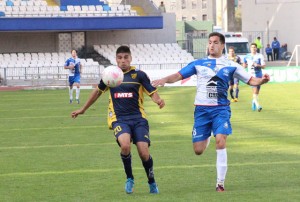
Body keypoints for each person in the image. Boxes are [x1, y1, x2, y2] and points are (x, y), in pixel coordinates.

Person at [152, 32, 270, 192]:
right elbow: (178, 75)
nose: (211, 45)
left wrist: (262, 80)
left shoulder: (232, 65)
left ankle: (220, 183)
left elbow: (250, 80)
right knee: (198, 150)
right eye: (209, 42)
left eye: (215, 42)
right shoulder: (198, 63)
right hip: (201, 111)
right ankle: (207, 136)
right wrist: (164, 79)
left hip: (221, 110)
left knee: (221, 140)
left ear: (222, 45)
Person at [71, 45, 165, 194]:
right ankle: (130, 178)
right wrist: (83, 109)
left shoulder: (139, 75)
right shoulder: (110, 75)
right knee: (125, 146)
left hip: (138, 118)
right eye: (120, 58)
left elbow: (151, 91)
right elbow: (97, 92)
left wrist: (158, 100)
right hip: (119, 119)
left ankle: (151, 181)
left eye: (126, 58)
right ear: (116, 59)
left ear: (130, 58)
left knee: (144, 153)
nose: (123, 61)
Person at [243, 43, 266, 112]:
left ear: (256, 48)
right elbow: (244, 64)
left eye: (254, 47)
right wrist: (244, 66)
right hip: (251, 76)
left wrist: (257, 65)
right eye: (252, 47)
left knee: (256, 92)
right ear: (250, 48)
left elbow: (264, 66)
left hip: (259, 75)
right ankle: (258, 105)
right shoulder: (247, 56)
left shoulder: (260, 56)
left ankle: (253, 101)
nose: (253, 48)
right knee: (255, 90)